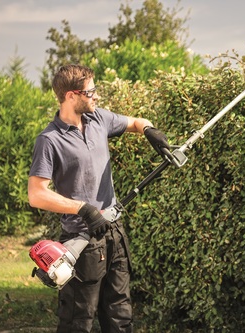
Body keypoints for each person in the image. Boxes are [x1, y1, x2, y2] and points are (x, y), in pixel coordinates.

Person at [27, 64, 170, 333]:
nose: (96, 96)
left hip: (114, 235)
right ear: (71, 96)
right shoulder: (49, 140)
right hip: (82, 243)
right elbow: (36, 194)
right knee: (78, 322)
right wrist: (83, 209)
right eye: (90, 92)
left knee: (120, 317)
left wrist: (150, 131)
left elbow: (136, 122)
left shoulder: (98, 120)